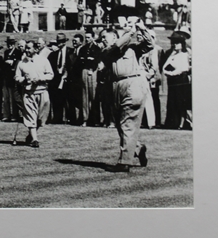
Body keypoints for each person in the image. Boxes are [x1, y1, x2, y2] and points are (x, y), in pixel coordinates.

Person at [99, 20, 153, 172]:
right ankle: (138, 148)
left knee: (127, 123)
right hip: (116, 86)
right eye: (102, 37)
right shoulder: (107, 50)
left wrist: (141, 28)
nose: (102, 39)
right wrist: (130, 31)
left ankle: (124, 162)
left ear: (115, 36)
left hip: (133, 83)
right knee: (120, 125)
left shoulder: (133, 48)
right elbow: (115, 46)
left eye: (105, 37)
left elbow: (150, 45)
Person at [14, 40, 54, 147]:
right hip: (29, 93)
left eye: (29, 48)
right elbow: (17, 77)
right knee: (30, 115)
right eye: (26, 48)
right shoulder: (21, 63)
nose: (27, 50)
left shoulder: (43, 60)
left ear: (35, 49)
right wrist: (23, 80)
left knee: (41, 118)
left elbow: (50, 75)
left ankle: (31, 135)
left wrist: (40, 79)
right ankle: (35, 139)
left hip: (42, 92)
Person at [161, 31, 192, 130]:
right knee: (172, 102)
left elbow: (183, 69)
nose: (175, 45)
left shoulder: (184, 54)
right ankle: (172, 122)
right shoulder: (172, 55)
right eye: (174, 43)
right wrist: (168, 72)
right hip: (173, 81)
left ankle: (182, 123)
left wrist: (171, 73)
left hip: (181, 81)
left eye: (177, 43)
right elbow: (164, 67)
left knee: (181, 103)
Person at [48, 33, 72, 124]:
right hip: (56, 80)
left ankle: (70, 118)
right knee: (56, 99)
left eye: (61, 41)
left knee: (68, 99)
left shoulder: (71, 52)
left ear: (65, 42)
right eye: (58, 41)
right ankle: (57, 118)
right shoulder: (53, 55)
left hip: (67, 79)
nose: (59, 43)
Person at [80, 30, 102, 126]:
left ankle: (95, 119)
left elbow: (97, 60)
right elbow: (81, 60)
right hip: (84, 70)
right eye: (86, 38)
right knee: (85, 96)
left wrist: (91, 63)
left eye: (89, 37)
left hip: (93, 71)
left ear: (93, 38)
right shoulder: (83, 49)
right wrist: (87, 59)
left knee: (93, 95)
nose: (87, 39)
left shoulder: (97, 48)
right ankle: (85, 119)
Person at [1, 37, 21, 121]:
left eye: (11, 44)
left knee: (13, 98)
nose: (10, 45)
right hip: (6, 76)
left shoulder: (18, 52)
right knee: (6, 97)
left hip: (13, 76)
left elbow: (18, 62)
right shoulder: (6, 52)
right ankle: (6, 114)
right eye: (8, 44)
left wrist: (13, 62)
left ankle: (14, 115)